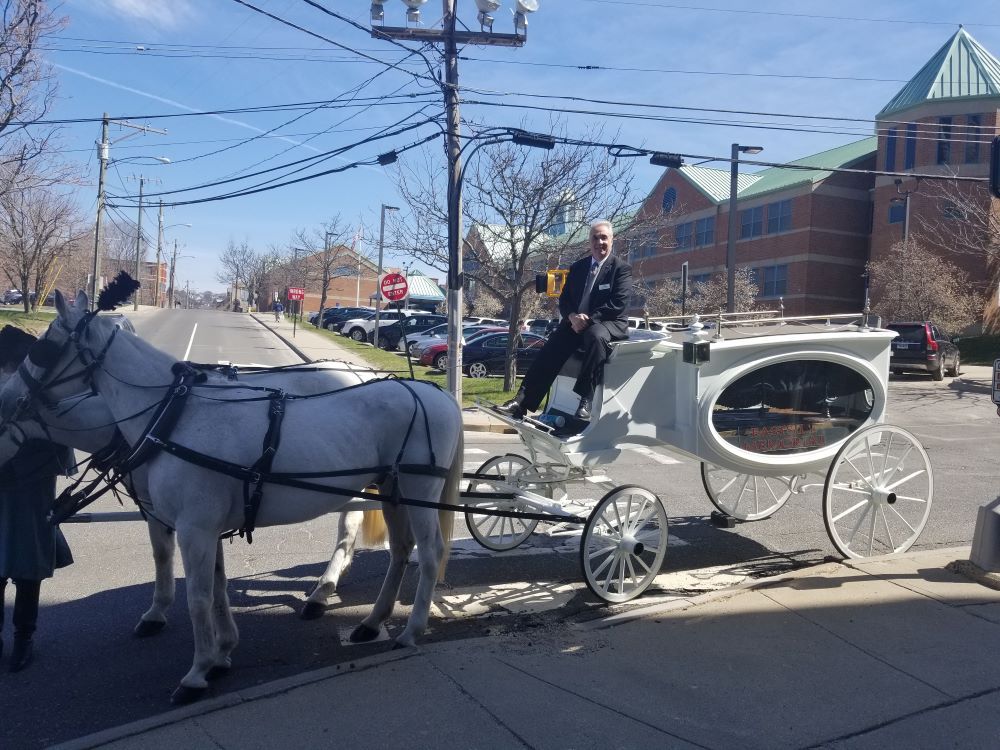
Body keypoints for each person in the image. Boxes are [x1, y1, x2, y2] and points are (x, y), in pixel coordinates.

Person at [501, 219, 632, 421]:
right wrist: (572, 317)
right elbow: (565, 299)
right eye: (595, 238)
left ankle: (585, 401)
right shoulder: (578, 267)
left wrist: (586, 320)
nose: (600, 242)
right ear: (589, 242)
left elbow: (618, 304)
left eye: (604, 237)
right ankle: (522, 402)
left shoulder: (621, 269)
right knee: (553, 344)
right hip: (576, 323)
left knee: (595, 337)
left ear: (612, 240)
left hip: (607, 323)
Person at [0, 325, 75, 673]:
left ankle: (24, 638)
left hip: (29, 494)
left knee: (28, 571)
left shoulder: (41, 398)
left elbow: (58, 447)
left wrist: (18, 470)